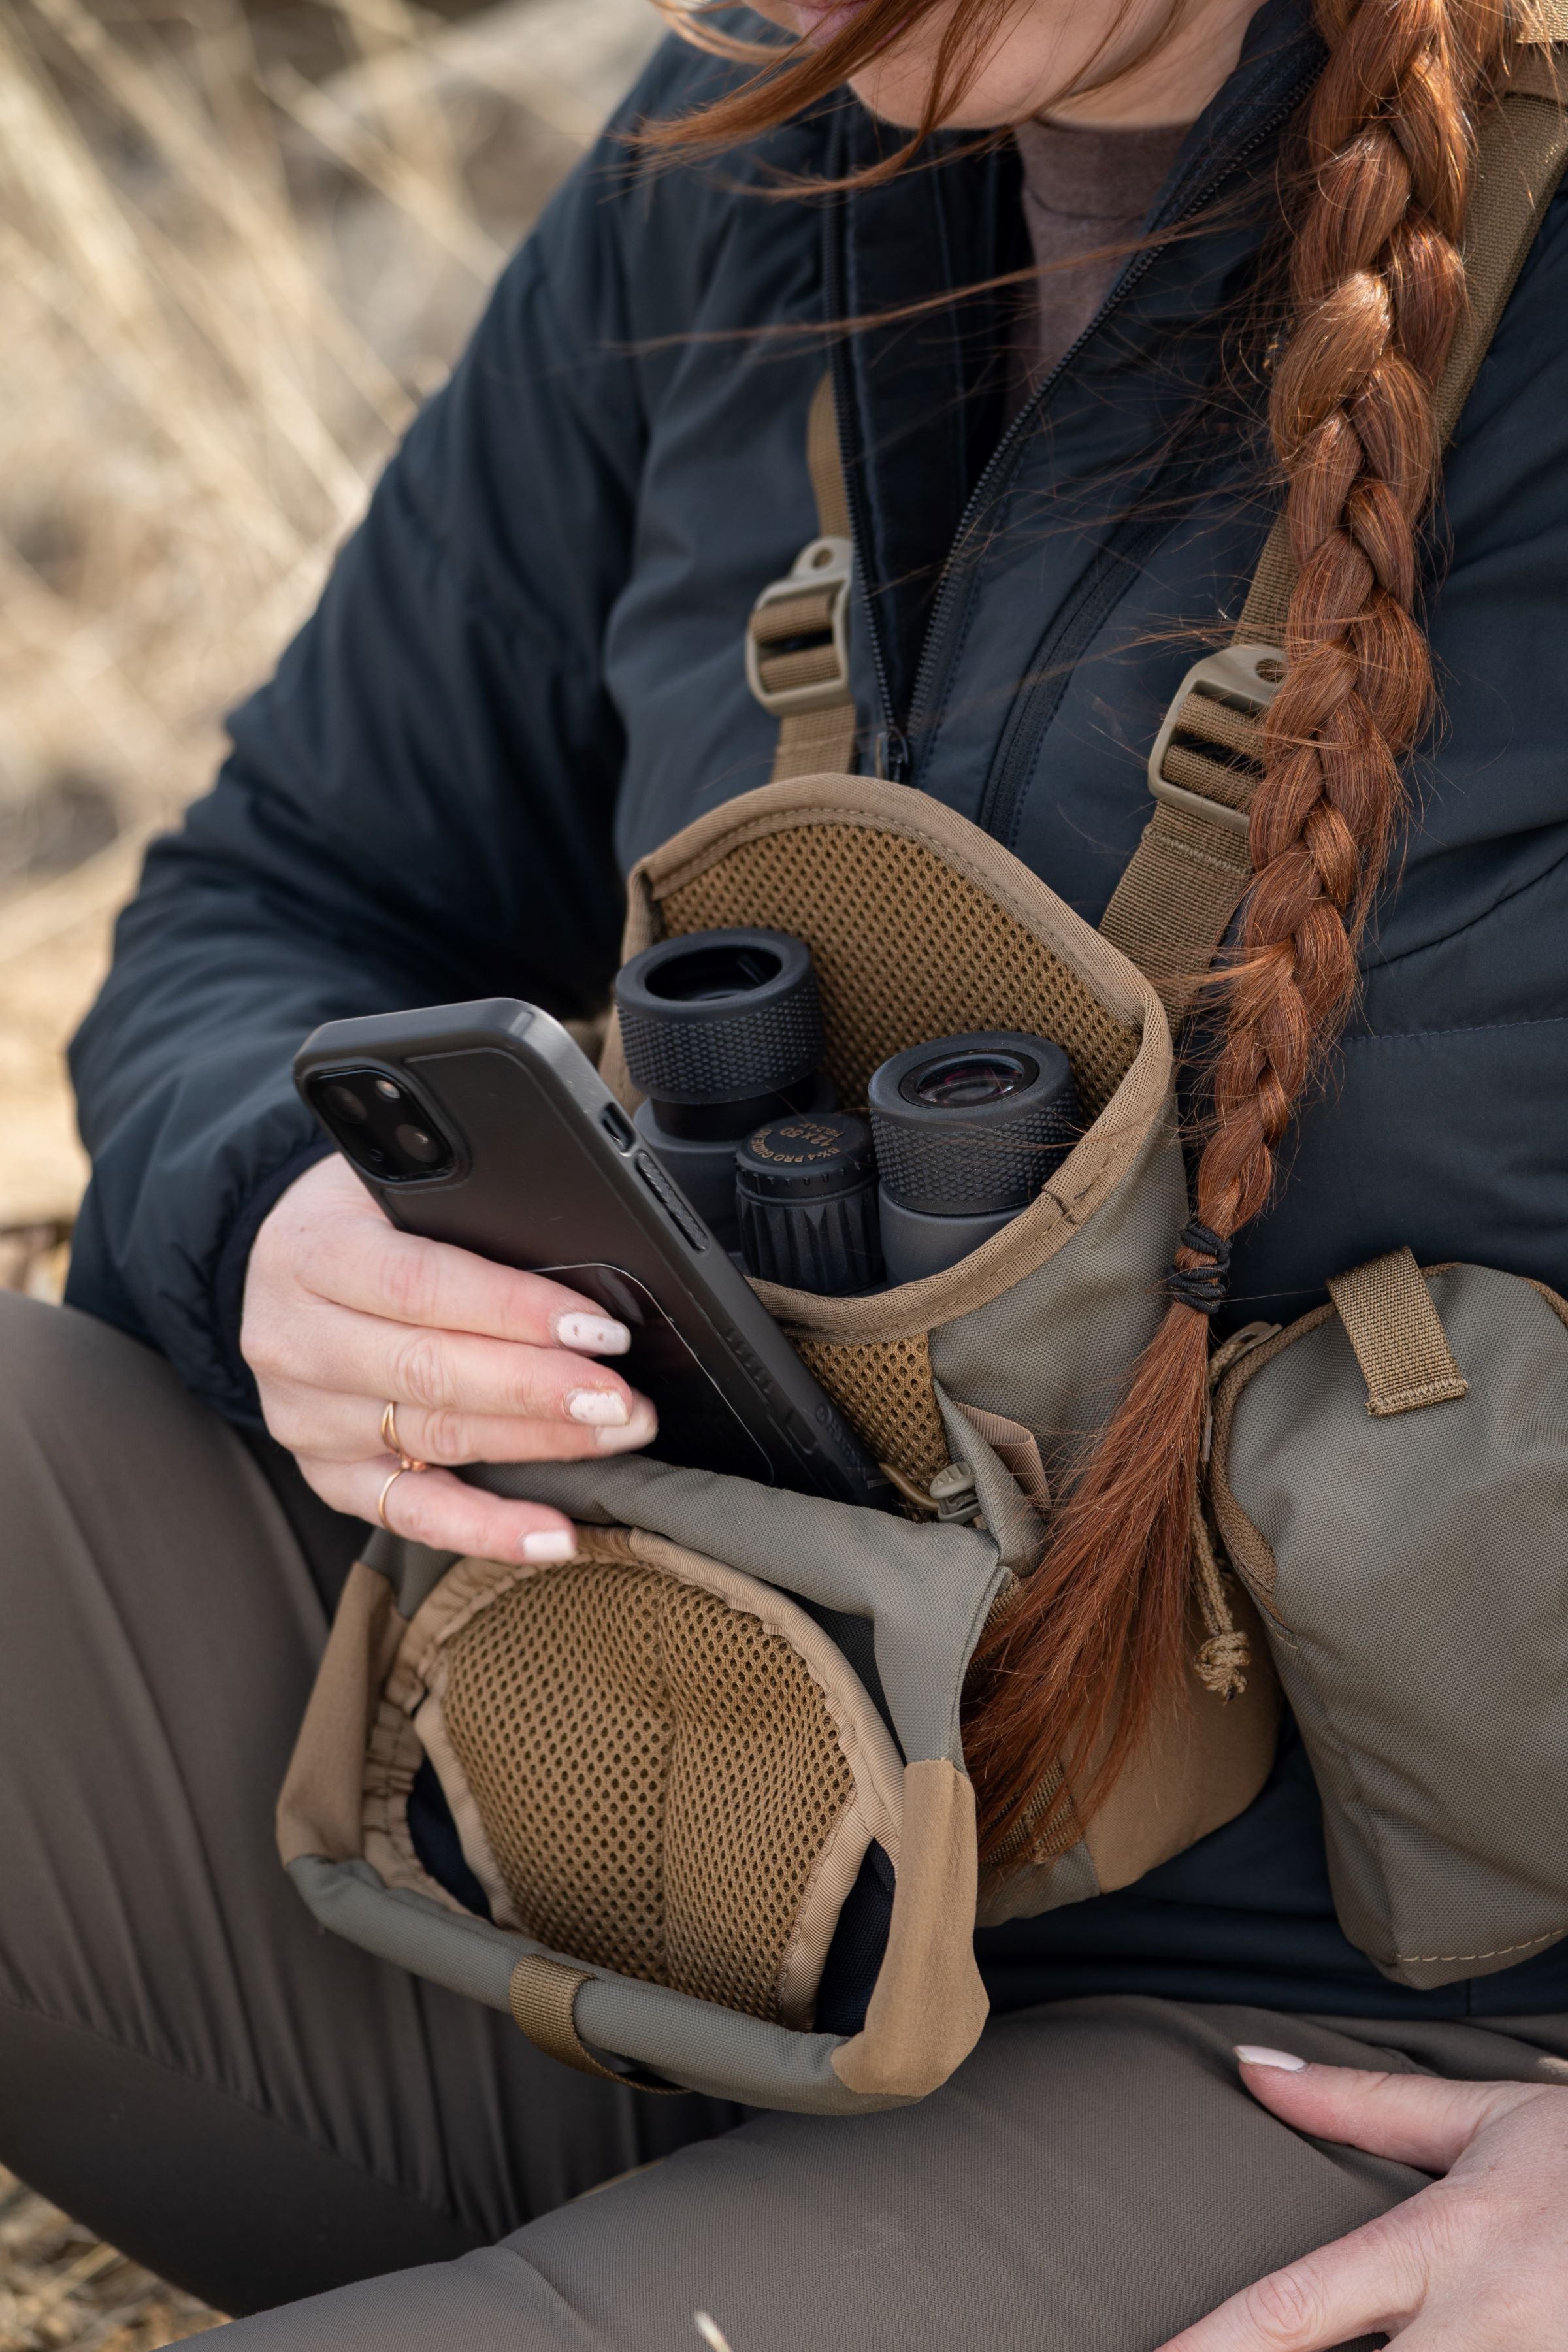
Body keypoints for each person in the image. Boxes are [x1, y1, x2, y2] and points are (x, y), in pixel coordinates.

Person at [4, 0, 1568, 2338]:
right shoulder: (739, 145)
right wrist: (286, 1222)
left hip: (1327, 2071)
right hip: (617, 1815)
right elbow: (290, 893)